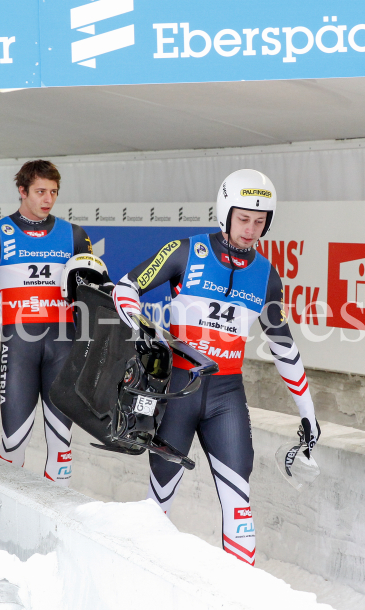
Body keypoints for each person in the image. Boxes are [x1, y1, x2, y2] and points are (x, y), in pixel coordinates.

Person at [111, 169, 321, 565]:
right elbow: (125, 287)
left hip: (226, 395)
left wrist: (308, 413)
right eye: (243, 218)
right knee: (159, 503)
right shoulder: (185, 250)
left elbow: (283, 346)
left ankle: (239, 608)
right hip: (176, 391)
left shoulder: (266, 275)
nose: (251, 229)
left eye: (260, 222)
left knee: (240, 507)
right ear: (225, 213)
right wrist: (141, 328)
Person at [0, 160, 92, 486]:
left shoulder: (74, 235)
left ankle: (56, 525)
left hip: (63, 345)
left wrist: (92, 341)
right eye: (40, 191)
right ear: (22, 191)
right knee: (14, 442)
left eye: (54, 192)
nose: (48, 199)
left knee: (62, 446)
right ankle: (2, 519)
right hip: (19, 346)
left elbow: (93, 293)